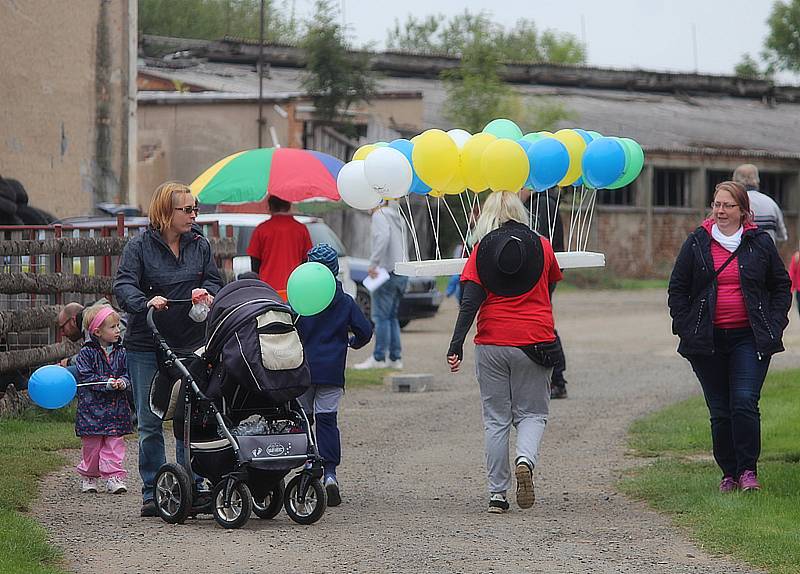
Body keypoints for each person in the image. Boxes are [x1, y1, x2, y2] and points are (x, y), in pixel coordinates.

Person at [668, 181, 790, 493]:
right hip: (707, 341)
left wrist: (775, 324)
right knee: (720, 410)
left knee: (745, 402)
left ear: (743, 211)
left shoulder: (759, 242)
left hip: (748, 338)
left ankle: (748, 470)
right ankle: (729, 472)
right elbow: (678, 288)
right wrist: (685, 325)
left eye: (728, 206)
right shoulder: (697, 242)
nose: (721, 211)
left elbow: (780, 285)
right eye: (717, 205)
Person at [446, 191, 562, 514]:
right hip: (534, 341)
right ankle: (525, 459)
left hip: (492, 342)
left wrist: (455, 344)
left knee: (496, 420)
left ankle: (497, 494)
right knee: (533, 413)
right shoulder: (541, 245)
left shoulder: (481, 249)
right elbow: (550, 284)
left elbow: (470, 301)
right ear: (519, 211)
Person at [114, 182, 223, 517]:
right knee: (150, 420)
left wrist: (205, 291)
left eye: (195, 209)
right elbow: (123, 284)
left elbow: (216, 281)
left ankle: (191, 484)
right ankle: (153, 491)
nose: (193, 215)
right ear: (165, 212)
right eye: (186, 210)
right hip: (148, 343)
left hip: (191, 342)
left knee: (191, 416)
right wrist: (145, 301)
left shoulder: (199, 245)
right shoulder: (139, 247)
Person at [295, 244, 373, 507]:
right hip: (331, 371)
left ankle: (306, 464)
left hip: (302, 371)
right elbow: (365, 331)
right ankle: (329, 473)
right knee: (327, 421)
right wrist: (353, 342)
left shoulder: (299, 299)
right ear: (335, 271)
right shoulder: (344, 301)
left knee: (303, 419)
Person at [74, 304, 133, 495]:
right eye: (113, 327)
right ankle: (89, 475)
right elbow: (85, 377)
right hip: (91, 410)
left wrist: (123, 382)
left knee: (115, 443)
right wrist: (105, 383)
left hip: (116, 409)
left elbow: (127, 373)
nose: (118, 330)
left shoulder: (121, 352)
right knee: (92, 445)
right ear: (98, 331)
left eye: (118, 326)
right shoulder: (86, 353)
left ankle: (114, 476)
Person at [521, 188, 569, 399]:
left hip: (541, 273)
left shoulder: (541, 204)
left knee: (541, 323)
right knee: (537, 321)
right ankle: (551, 378)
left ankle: (557, 378)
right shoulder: (537, 203)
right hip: (540, 272)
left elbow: (539, 240)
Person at [353, 200, 408, 370]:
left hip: (385, 273)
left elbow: (383, 236)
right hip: (401, 271)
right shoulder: (397, 215)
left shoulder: (379, 215)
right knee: (392, 317)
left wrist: (374, 263)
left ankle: (379, 357)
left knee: (380, 318)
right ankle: (394, 357)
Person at [246, 194, 312, 294]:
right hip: (294, 289)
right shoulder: (301, 229)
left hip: (267, 289)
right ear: (289, 205)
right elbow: (306, 261)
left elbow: (255, 264)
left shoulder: (261, 229)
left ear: (270, 207)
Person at [732, 164, 787, 244]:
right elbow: (782, 236)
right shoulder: (771, 203)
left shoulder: (733, 202)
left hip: (740, 254)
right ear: (757, 180)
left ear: (735, 181)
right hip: (767, 254)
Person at [789, 247, 800, 318]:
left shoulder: (797, 257)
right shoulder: (797, 258)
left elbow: (792, 273)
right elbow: (792, 273)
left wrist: (791, 288)